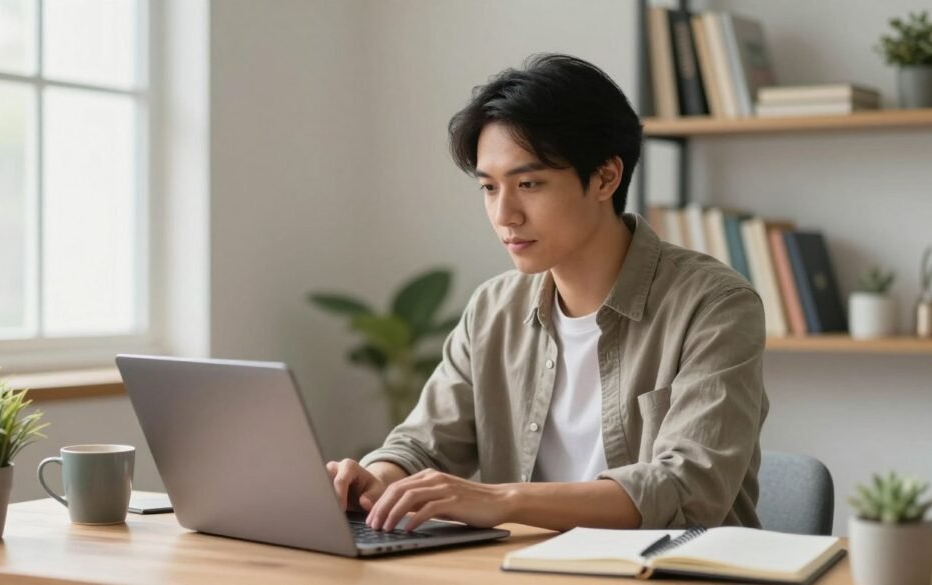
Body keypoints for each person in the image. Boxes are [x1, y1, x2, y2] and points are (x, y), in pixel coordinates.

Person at [326, 54, 768, 533]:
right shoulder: (493, 309)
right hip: (523, 565)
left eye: (529, 184)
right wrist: (376, 479)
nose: (504, 215)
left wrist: (503, 500)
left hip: (671, 565)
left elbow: (687, 489)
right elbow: (421, 445)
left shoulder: (715, 305)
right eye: (489, 188)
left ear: (605, 177)